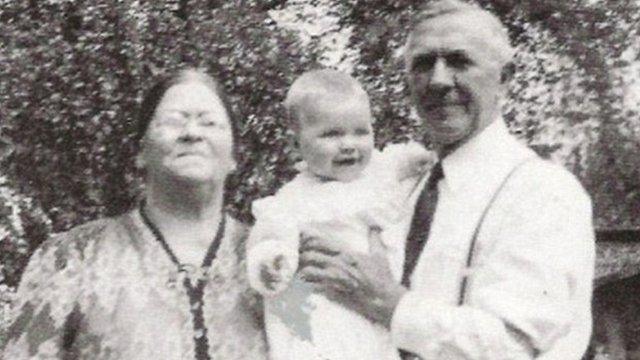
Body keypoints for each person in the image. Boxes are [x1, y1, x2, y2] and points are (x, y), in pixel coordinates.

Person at [298, 1, 596, 359]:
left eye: (459, 61)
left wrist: (389, 304)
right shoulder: (402, 187)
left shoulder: (542, 193)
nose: (438, 80)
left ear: (505, 77)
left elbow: (514, 346)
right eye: (422, 64)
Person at [1, 69, 268, 359]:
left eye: (210, 123)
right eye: (174, 120)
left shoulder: (275, 261)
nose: (192, 133)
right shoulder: (70, 259)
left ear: (234, 157)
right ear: (141, 151)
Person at [246, 69, 432, 360]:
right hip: (322, 313)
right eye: (331, 134)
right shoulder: (295, 198)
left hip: (375, 313)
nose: (349, 144)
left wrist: (414, 161)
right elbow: (270, 232)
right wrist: (271, 261)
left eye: (360, 131)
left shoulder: (377, 176)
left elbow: (399, 163)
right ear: (297, 145)